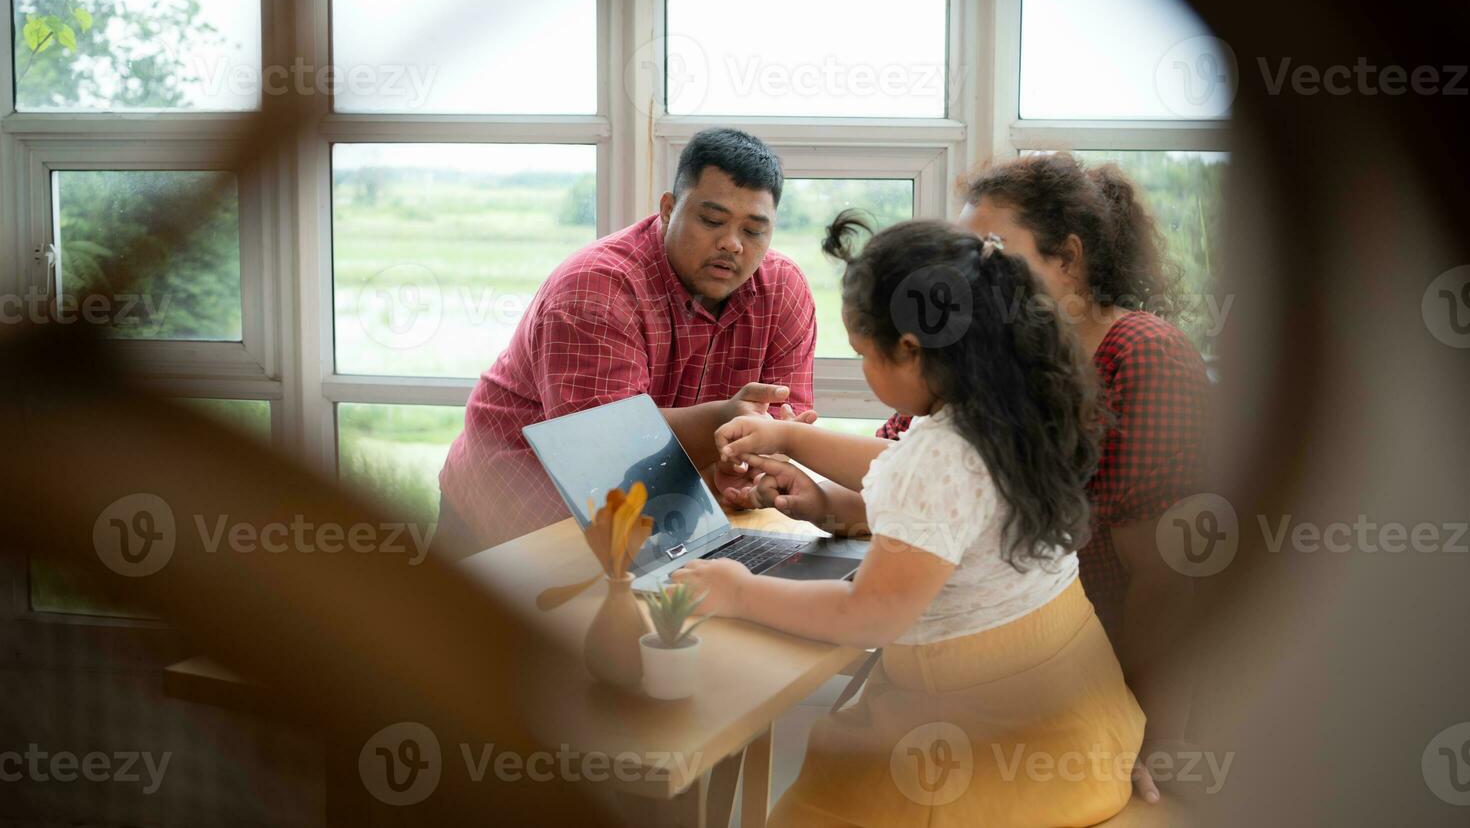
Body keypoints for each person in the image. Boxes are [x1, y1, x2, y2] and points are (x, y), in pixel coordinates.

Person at [735, 154, 1211, 803]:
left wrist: (1150, 738)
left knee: (838, 771)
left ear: (1068, 258)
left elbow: (1170, 581)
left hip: (1042, 693)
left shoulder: (1134, 355)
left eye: (990, 248)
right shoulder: (988, 377)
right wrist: (824, 502)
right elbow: (925, 492)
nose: (969, 273)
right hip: (1035, 684)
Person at [675, 213, 1144, 828]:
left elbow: (868, 614)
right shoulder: (1007, 415)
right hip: (1075, 721)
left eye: (864, 354)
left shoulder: (937, 456)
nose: (863, 368)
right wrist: (793, 444)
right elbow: (927, 485)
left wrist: (738, 591)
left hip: (981, 746)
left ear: (911, 351)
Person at [434, 128, 818, 560]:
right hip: (517, 509)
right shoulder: (595, 289)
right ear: (669, 210)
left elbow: (785, 427)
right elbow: (601, 451)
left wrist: (746, 467)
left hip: (667, 515)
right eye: (712, 221)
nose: (732, 243)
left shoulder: (783, 289)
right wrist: (724, 428)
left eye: (754, 230)